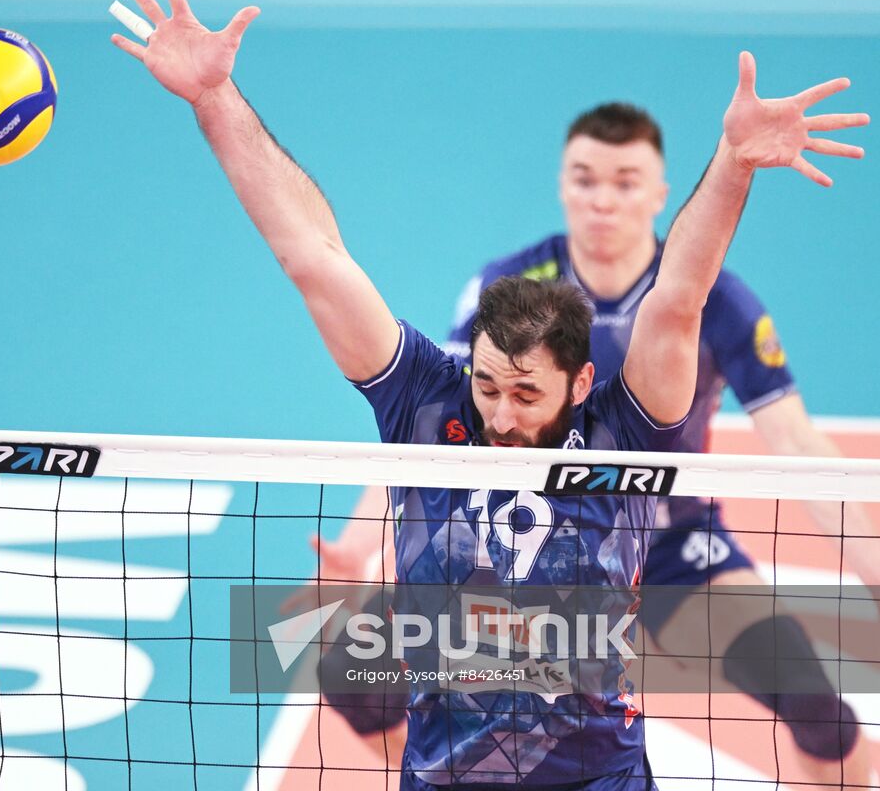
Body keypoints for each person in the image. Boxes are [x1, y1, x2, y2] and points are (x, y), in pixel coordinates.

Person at [111, 0, 866, 789]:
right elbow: (315, 258)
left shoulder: (622, 430)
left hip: (613, 722)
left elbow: (678, 300)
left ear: (581, 383)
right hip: (456, 709)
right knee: (332, 655)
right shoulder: (428, 400)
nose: (500, 418)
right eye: (489, 387)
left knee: (819, 706)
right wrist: (214, 99)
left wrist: (733, 162)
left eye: (527, 395)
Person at [312, 104, 876, 785]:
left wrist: (873, 568)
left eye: (625, 182)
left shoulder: (715, 300)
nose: (602, 201)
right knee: (350, 674)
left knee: (816, 706)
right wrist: (362, 547)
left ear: (659, 195)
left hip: (671, 549)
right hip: (520, 552)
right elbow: (437, 427)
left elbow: (795, 439)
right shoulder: (514, 289)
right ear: (562, 185)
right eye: (585, 179)